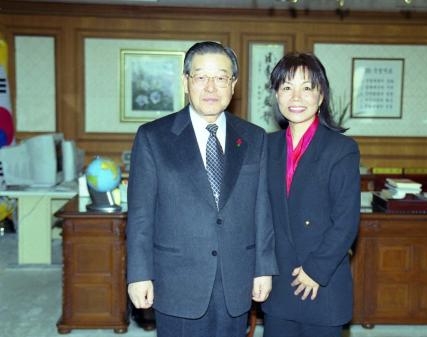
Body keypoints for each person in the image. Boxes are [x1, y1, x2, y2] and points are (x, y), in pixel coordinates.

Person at [126, 41, 278, 337]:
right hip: (176, 278)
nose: (211, 87)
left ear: (233, 85)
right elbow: (141, 216)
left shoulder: (254, 138)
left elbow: (262, 210)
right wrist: (139, 275)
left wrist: (264, 268)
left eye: (221, 77)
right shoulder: (153, 137)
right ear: (186, 82)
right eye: (201, 77)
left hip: (235, 277)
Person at [262, 53, 360, 337]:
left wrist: (315, 270)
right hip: (279, 281)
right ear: (277, 96)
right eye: (286, 87)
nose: (296, 96)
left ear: (321, 96)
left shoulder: (341, 149)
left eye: (307, 87)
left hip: (322, 279)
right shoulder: (266, 146)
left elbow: (346, 220)